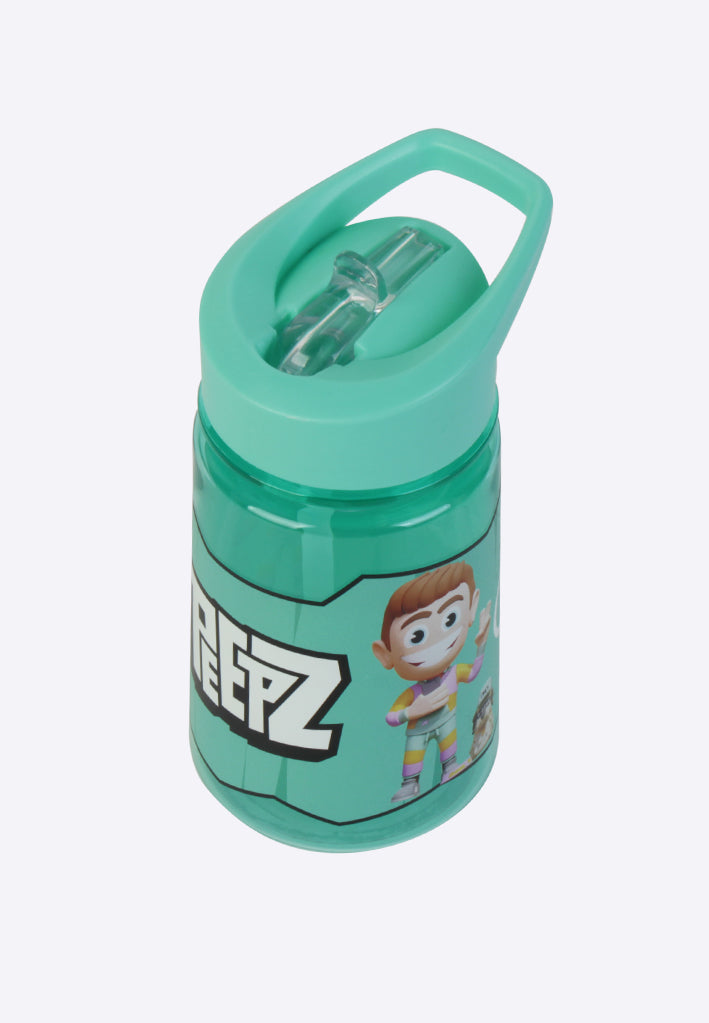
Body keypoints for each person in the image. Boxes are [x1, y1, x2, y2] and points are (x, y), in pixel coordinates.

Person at [372, 561, 491, 803]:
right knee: (413, 754)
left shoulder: (454, 673)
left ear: (471, 608)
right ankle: (410, 783)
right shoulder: (414, 693)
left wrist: (481, 645)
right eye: (416, 636)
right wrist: (411, 711)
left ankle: (450, 769)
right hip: (418, 728)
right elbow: (391, 717)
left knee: (449, 746)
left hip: (447, 720)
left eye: (450, 618)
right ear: (385, 654)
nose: (437, 644)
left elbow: (473, 673)